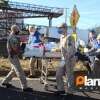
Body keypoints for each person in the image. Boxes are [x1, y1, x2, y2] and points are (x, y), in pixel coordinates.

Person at [1, 25, 33, 92]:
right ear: (15, 30)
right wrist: (23, 45)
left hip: (12, 56)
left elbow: (15, 46)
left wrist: (21, 43)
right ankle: (25, 87)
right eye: (18, 30)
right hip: (13, 56)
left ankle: (5, 82)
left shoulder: (12, 36)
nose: (19, 31)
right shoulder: (13, 38)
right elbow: (16, 49)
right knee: (20, 71)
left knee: (13, 71)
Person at [56, 23, 76, 94]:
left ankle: (70, 92)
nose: (59, 29)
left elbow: (70, 51)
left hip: (69, 59)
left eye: (60, 28)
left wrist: (66, 60)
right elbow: (62, 47)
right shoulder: (61, 37)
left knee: (69, 75)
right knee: (58, 74)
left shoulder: (70, 37)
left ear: (65, 28)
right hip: (64, 59)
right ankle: (61, 89)